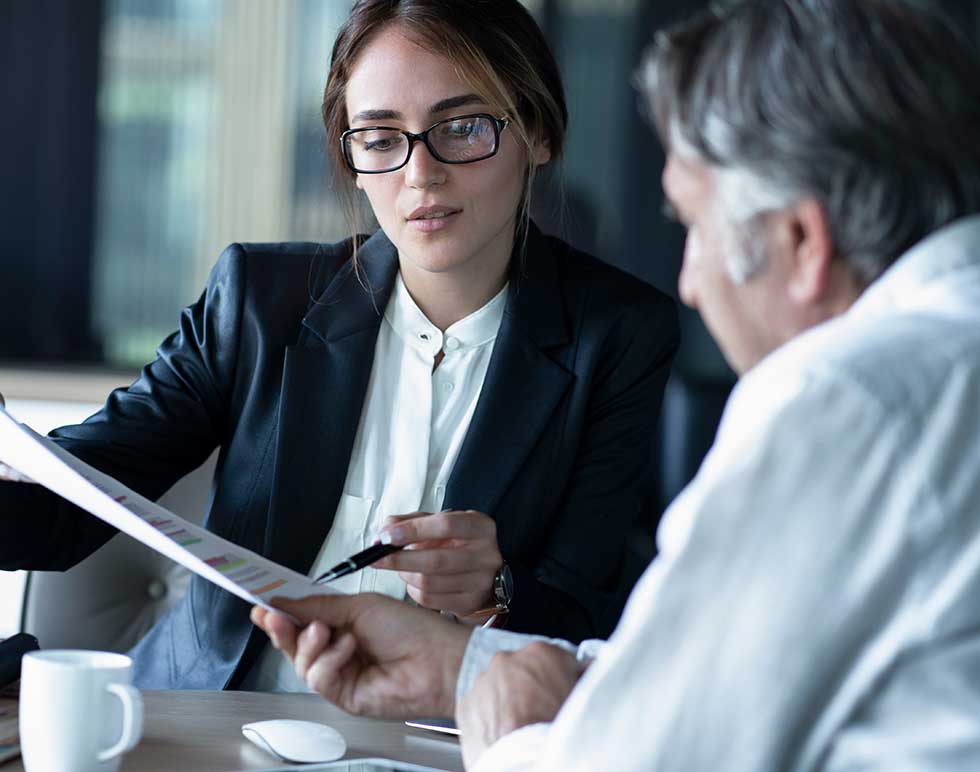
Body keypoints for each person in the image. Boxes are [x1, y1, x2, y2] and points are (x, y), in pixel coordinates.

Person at [251, 0, 980, 768]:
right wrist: (464, 668)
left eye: (695, 227)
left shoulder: (846, 400)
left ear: (801, 242)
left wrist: (508, 739)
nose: (692, 283)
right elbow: (713, 684)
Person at [0, 0, 679, 690]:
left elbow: (598, 615)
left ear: (537, 133)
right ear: (351, 158)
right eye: (381, 139)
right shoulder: (258, 301)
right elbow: (66, 509)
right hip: (212, 727)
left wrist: (496, 588)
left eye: (463, 127)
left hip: (443, 741)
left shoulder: (620, 336)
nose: (420, 174)